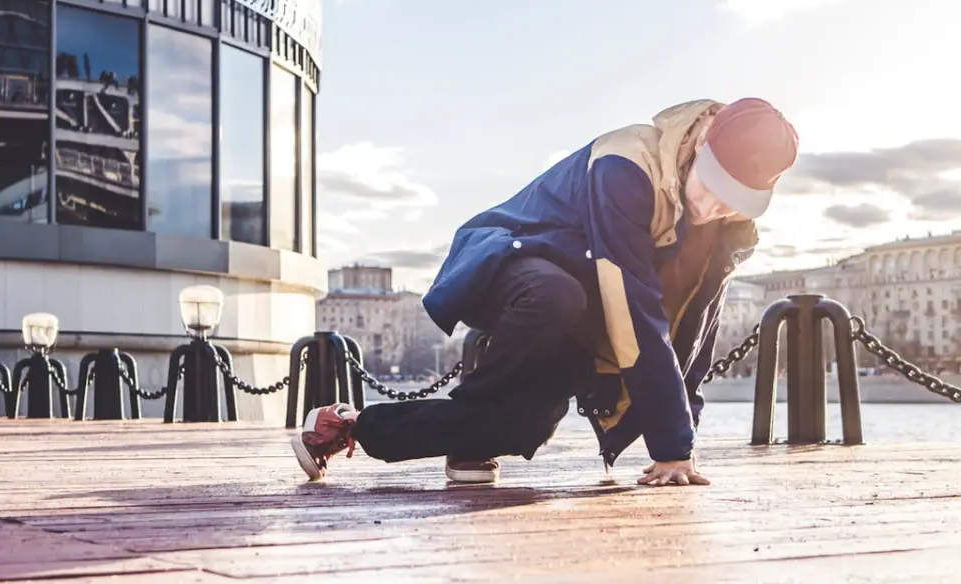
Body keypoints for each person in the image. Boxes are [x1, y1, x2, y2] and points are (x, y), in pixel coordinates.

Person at [292, 98, 799, 486]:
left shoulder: (723, 229)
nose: (710, 208)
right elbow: (634, 306)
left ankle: (350, 424)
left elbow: (693, 328)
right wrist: (669, 444)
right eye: (709, 186)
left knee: (520, 428)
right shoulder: (625, 164)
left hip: (581, 313)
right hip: (510, 265)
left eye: (732, 201)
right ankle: (483, 386)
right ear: (702, 138)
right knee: (556, 296)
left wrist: (684, 439)